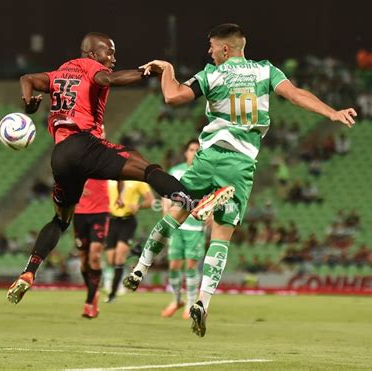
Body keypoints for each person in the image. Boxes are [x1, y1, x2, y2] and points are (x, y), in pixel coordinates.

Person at [124, 23, 356, 337]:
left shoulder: (211, 74)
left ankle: (140, 268)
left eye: (211, 47)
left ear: (224, 49)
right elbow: (296, 95)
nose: (208, 52)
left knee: (175, 211)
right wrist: (331, 113)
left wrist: (166, 69)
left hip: (208, 157)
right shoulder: (265, 71)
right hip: (241, 164)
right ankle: (203, 301)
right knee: (221, 235)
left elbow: (173, 96)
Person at [6, 32, 231, 305]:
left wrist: (29, 104)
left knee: (60, 220)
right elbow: (109, 79)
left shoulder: (60, 72)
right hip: (84, 145)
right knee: (146, 168)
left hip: (61, 156)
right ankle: (194, 201)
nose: (112, 58)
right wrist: (146, 71)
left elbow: (27, 79)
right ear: (92, 54)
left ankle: (29, 272)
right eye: (108, 53)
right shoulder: (91, 67)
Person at [161, 139, 206, 320]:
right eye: (191, 149)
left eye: (197, 150)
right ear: (186, 152)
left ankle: (189, 303)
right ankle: (176, 299)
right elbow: (166, 195)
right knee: (173, 265)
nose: (194, 153)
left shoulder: (204, 173)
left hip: (195, 227)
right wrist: (165, 213)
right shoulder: (176, 171)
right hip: (177, 226)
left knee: (190, 265)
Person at [105, 180, 155, 303]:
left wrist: (139, 206)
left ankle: (112, 294)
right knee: (111, 259)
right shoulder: (110, 176)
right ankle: (132, 253)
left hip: (127, 221)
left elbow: (151, 201)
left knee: (119, 258)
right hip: (111, 221)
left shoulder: (138, 180)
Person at [73, 179, 110, 319]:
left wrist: (120, 195)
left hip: (100, 212)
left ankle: (89, 303)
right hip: (79, 213)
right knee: (83, 259)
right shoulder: (76, 160)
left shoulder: (105, 158)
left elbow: (120, 173)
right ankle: (93, 291)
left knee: (94, 257)